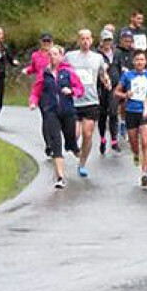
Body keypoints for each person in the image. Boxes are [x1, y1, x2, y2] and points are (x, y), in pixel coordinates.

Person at [29, 46, 83, 188]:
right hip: (51, 112)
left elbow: (80, 89)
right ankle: (60, 177)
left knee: (70, 137)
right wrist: (33, 103)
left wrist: (71, 91)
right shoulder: (44, 73)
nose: (52, 57)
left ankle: (72, 146)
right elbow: (36, 91)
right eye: (50, 54)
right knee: (55, 142)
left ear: (61, 56)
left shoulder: (68, 72)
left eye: (55, 54)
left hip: (67, 111)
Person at [66, 28, 111, 178]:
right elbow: (62, 72)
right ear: (78, 41)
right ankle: (74, 148)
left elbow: (103, 74)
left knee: (87, 133)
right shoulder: (70, 57)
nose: (85, 42)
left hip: (91, 100)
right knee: (74, 133)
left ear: (92, 41)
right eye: (82, 39)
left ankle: (83, 164)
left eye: (88, 39)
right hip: (73, 100)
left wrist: (107, 82)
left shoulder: (97, 58)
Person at [114, 50, 147, 187]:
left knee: (145, 140)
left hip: (145, 111)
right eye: (137, 60)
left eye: (142, 60)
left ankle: (145, 173)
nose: (139, 62)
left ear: (146, 62)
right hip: (131, 110)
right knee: (133, 141)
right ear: (133, 61)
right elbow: (116, 92)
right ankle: (136, 154)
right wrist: (126, 94)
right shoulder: (127, 75)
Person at [97, 29, 121, 154]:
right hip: (101, 87)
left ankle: (114, 140)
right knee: (102, 114)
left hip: (115, 87)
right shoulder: (97, 54)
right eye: (105, 40)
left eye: (109, 40)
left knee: (113, 112)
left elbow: (120, 68)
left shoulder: (117, 53)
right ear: (101, 41)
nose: (108, 42)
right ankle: (102, 138)